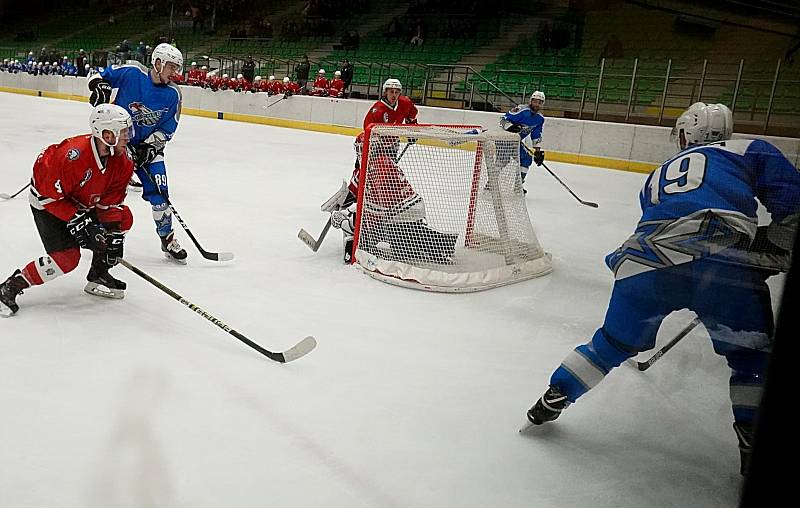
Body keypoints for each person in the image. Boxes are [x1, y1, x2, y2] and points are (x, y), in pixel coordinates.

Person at [522, 102, 800, 477]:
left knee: (611, 343)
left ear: (687, 133)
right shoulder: (751, 149)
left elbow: (662, 219)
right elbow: (792, 209)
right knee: (750, 357)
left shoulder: (656, 174)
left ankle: (550, 400)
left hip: (643, 263)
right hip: (722, 265)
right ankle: (749, 435)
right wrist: (773, 248)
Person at [0, 104, 136, 316]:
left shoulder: (124, 161)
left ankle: (98, 273)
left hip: (83, 203)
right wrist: (77, 219)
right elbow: (46, 196)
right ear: (107, 134)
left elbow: (110, 204)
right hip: (49, 204)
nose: (129, 137)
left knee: (123, 220)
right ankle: (11, 286)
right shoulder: (71, 156)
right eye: (124, 132)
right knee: (67, 258)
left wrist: (113, 237)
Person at [87, 42, 187, 263]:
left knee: (161, 193)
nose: (175, 73)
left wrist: (150, 146)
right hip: (118, 144)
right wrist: (98, 86)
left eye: (177, 68)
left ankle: (167, 238)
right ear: (158, 63)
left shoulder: (174, 95)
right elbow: (95, 74)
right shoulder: (132, 72)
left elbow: (168, 128)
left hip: (148, 149)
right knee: (104, 191)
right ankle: (91, 229)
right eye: (171, 67)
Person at [326, 78, 420, 263]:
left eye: (397, 91)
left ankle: (365, 206)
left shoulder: (406, 103)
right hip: (375, 147)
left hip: (392, 146)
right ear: (385, 92)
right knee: (368, 176)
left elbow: (412, 116)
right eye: (391, 91)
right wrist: (369, 155)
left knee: (382, 178)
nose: (394, 94)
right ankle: (354, 198)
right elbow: (367, 136)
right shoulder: (376, 111)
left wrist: (412, 130)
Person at [499, 90, 545, 190]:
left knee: (527, 159)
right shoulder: (521, 110)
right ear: (531, 101)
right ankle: (490, 184)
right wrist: (510, 127)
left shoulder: (540, 119)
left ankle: (518, 186)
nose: (537, 104)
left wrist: (538, 152)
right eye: (535, 101)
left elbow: (536, 135)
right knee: (503, 161)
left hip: (516, 142)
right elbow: (502, 120)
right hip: (504, 139)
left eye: (540, 102)